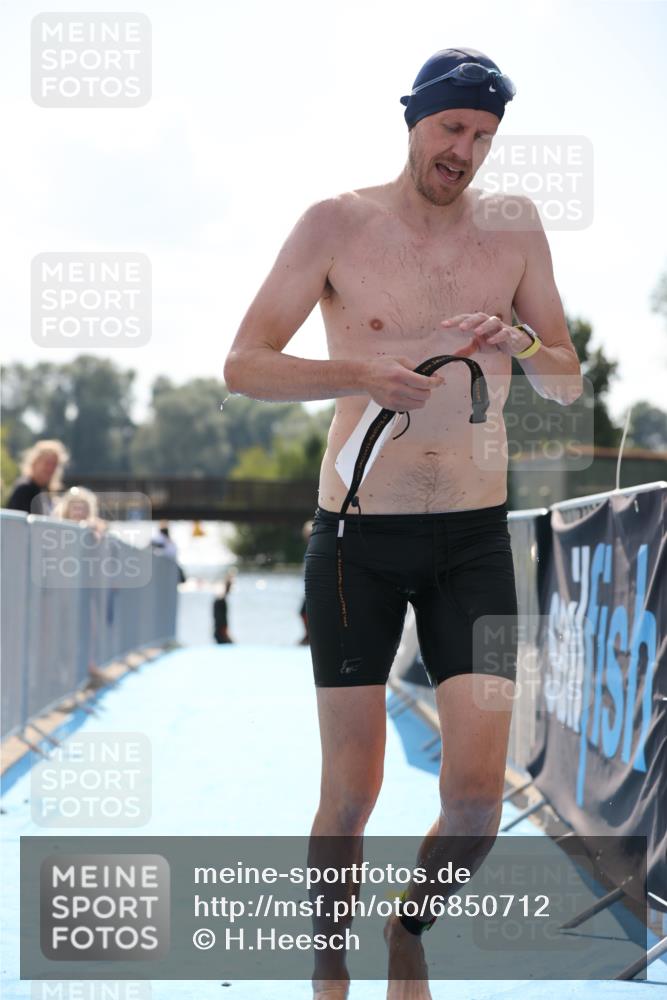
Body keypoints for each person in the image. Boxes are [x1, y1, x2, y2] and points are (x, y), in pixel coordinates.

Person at [224, 46, 582, 1000]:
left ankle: (406, 926)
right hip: (357, 542)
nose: (464, 149)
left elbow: (564, 379)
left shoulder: (514, 229)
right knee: (351, 794)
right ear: (413, 119)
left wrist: (522, 340)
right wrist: (360, 373)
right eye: (451, 127)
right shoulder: (335, 224)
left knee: (474, 807)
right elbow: (244, 365)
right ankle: (328, 958)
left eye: (483, 136)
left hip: (474, 542)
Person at [5, 439, 69, 515]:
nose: (50, 469)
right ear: (35, 462)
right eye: (47, 463)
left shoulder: (45, 491)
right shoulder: (24, 489)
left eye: (54, 464)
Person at [213, 574, 234, 644]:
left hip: (219, 630)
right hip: (220, 632)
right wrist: (224, 632)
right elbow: (220, 618)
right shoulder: (221, 601)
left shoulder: (220, 599)